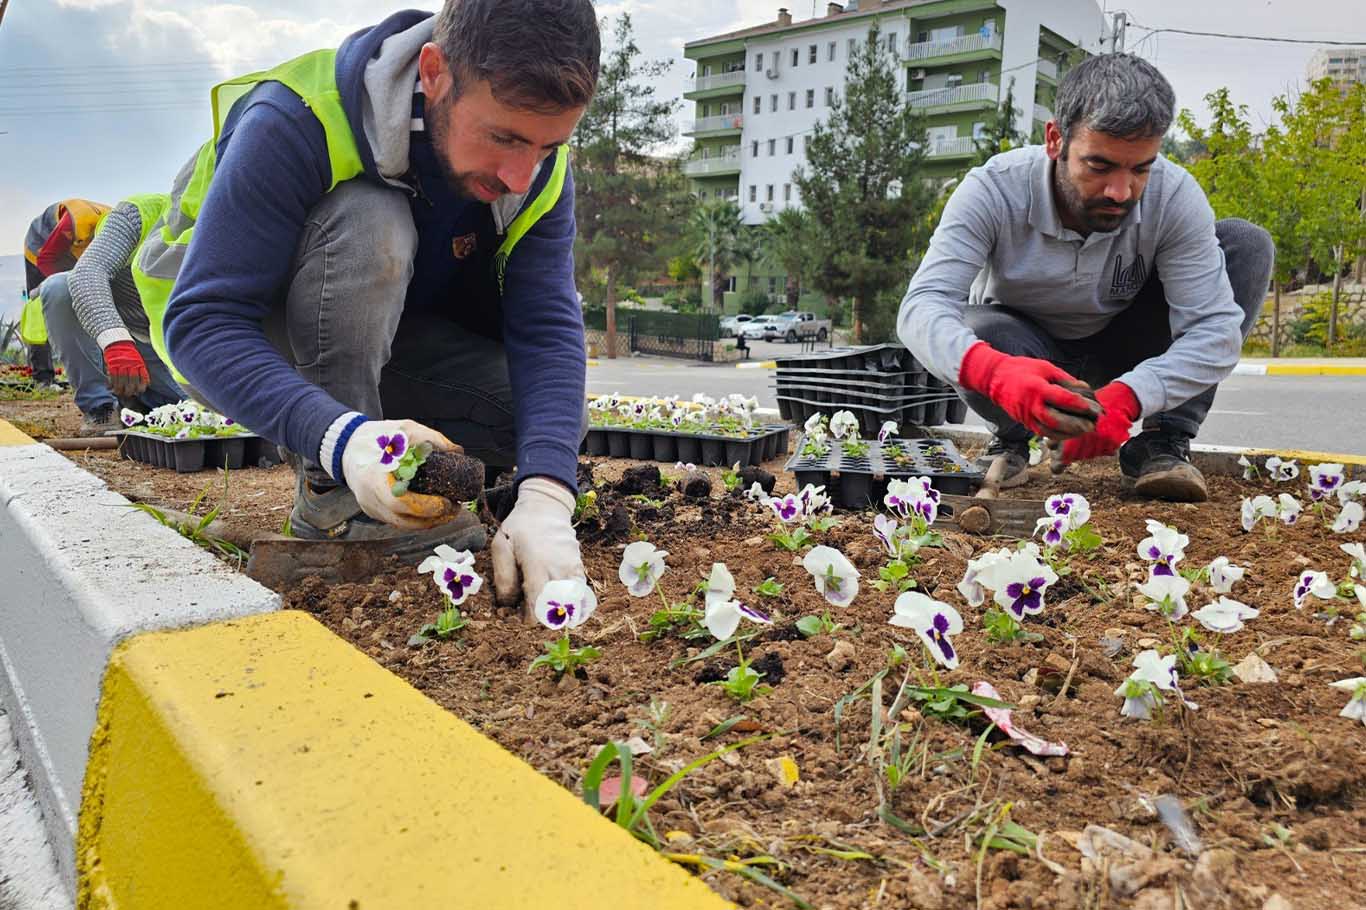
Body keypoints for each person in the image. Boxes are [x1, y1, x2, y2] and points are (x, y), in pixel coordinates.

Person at [142, 0, 600, 611]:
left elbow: (546, 328)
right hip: (243, 345)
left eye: (547, 146)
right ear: (434, 72)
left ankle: (405, 476)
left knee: (544, 419)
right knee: (370, 224)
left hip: (393, 342)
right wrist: (342, 439)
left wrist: (546, 494)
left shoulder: (537, 168)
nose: (522, 175)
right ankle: (336, 496)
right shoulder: (295, 118)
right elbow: (202, 323)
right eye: (504, 138)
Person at [899, 54, 1274, 502]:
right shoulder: (993, 189)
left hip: (1125, 348)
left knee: (1246, 245)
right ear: (1056, 139)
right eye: (1099, 166)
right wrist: (995, 373)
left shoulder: (1174, 196)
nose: (1121, 192)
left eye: (1140, 169)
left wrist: (1131, 396)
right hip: (1025, 352)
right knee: (976, 328)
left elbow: (1215, 329)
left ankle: (1162, 442)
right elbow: (922, 308)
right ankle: (1010, 437)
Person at [36, 194, 185, 435]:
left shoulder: (238, 233)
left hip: (173, 351)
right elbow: (87, 273)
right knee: (59, 287)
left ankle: (139, 403)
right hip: (128, 338)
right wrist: (117, 343)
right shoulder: (139, 214)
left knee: (196, 412)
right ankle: (101, 408)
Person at [22, 199, 113, 388]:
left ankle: (103, 374)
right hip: (41, 250)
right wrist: (61, 288)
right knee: (41, 310)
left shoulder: (117, 229)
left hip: (73, 254)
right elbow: (47, 258)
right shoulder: (78, 221)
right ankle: (43, 378)